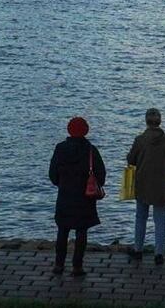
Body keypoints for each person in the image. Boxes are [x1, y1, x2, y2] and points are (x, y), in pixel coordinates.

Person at [48, 116, 106, 277]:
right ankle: (77, 266)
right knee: (81, 232)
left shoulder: (60, 149)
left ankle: (59, 265)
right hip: (85, 198)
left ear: (69, 130)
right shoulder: (90, 150)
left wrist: (62, 183)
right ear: (86, 131)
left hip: (65, 196)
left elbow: (52, 175)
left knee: (62, 231)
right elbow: (101, 175)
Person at [126, 108, 165, 265]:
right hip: (161, 186)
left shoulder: (140, 140)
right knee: (160, 220)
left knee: (141, 217)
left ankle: (138, 249)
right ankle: (159, 254)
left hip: (143, 183)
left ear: (146, 121)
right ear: (160, 121)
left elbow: (131, 160)